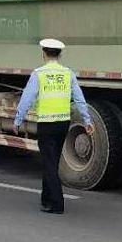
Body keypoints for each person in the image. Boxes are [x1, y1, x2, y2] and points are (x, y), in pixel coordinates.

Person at [14, 39, 93, 214]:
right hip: (63, 124)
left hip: (46, 124)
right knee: (52, 162)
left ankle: (57, 203)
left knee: (48, 163)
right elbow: (79, 99)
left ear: (43, 53)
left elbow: (27, 99)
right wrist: (87, 121)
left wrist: (18, 120)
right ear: (60, 54)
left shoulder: (39, 74)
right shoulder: (68, 73)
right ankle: (46, 198)